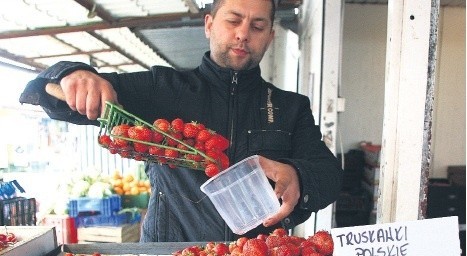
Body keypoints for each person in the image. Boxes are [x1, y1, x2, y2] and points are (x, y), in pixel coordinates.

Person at [20, 0, 343, 242]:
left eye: (258, 27)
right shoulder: (161, 89)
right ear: (208, 24)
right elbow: (40, 91)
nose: (243, 34)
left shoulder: (290, 106)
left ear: (270, 37)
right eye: (233, 20)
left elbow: (329, 175)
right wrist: (71, 75)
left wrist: (298, 175)